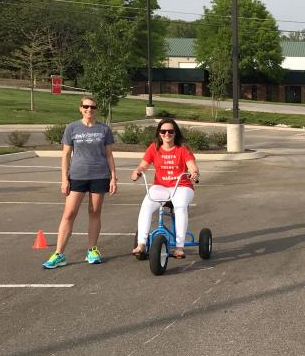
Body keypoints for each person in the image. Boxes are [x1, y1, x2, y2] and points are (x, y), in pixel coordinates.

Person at [42, 96, 118, 268]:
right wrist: (64, 178)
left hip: (100, 175)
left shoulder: (104, 129)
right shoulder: (72, 128)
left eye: (92, 107)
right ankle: (59, 253)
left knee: (94, 211)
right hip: (77, 176)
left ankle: (92, 250)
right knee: (69, 213)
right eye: (86, 106)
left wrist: (113, 177)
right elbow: (66, 155)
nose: (89, 109)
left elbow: (109, 155)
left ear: (96, 109)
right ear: (80, 108)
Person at [130, 118, 200, 259]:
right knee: (146, 206)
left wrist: (194, 173)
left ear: (175, 133)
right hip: (160, 186)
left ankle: (180, 247)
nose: (166, 134)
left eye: (170, 131)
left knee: (180, 206)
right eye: (163, 131)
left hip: (182, 186)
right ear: (159, 133)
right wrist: (137, 171)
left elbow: (192, 165)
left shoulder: (182, 148)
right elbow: (143, 165)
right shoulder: (154, 148)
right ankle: (141, 244)